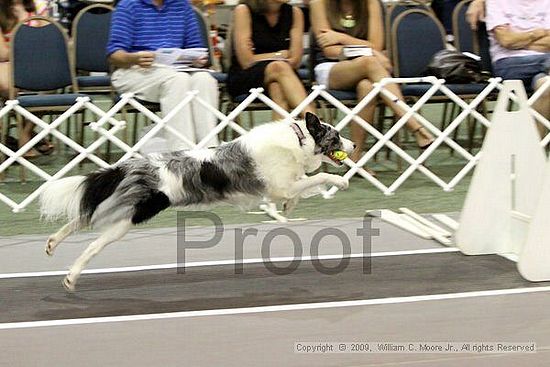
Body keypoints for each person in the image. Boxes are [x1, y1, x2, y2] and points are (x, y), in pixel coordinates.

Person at [309, 0, 434, 165]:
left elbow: (376, 44)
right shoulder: (318, 3)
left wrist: (341, 38)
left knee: (367, 86)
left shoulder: (372, 3)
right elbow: (330, 50)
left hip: (368, 70)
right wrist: (369, 51)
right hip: (331, 68)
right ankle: (414, 125)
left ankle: (354, 159)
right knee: (370, 63)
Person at [107, 0, 219, 151]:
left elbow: (195, 46)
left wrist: (197, 59)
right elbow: (114, 54)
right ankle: (182, 153)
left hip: (177, 69)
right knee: (177, 80)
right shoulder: (128, 6)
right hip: (134, 70)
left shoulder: (182, 5)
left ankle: (210, 150)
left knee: (205, 79)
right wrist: (134, 58)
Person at [228, 0, 315, 119]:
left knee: (277, 87)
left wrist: (264, 57)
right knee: (278, 67)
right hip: (246, 76)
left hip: (286, 76)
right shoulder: (244, 10)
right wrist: (280, 55)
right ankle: (315, 122)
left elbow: (295, 60)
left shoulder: (295, 13)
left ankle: (281, 136)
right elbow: (246, 61)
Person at [485, 0, 550, 134]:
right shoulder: (496, 2)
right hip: (509, 64)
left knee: (546, 86)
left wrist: (519, 40)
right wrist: (537, 34)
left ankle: (534, 149)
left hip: (544, 65)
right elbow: (506, 40)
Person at [0, 0, 50, 156]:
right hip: (7, 62)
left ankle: (25, 133)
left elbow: (49, 42)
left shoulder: (40, 5)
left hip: (37, 61)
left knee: (52, 82)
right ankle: (26, 134)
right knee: (7, 86)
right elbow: (2, 53)